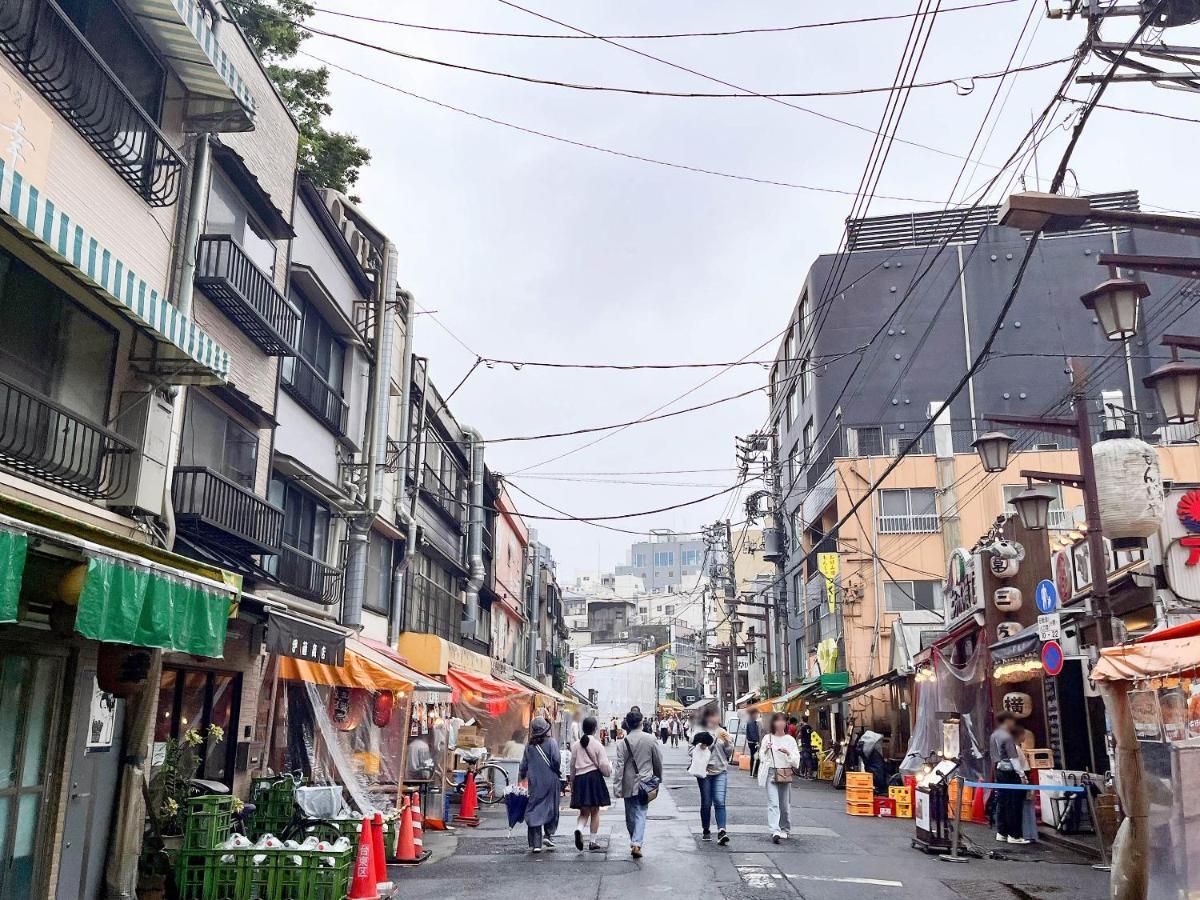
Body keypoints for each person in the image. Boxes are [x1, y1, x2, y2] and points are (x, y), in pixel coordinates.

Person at [612, 709, 662, 859]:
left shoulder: (623, 743)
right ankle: (637, 842)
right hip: (645, 781)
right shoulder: (650, 739)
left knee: (630, 815)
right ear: (641, 723)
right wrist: (658, 777)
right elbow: (657, 761)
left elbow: (619, 767)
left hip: (628, 782)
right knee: (641, 812)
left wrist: (617, 787)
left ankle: (635, 840)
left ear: (627, 724)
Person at [690, 707, 734, 845]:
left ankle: (722, 831)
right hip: (704, 772)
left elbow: (728, 754)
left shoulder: (723, 732)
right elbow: (691, 751)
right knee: (707, 802)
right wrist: (702, 746)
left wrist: (727, 742)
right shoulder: (698, 731)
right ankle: (706, 829)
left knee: (720, 801)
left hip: (720, 771)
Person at [519, 718, 562, 853]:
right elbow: (556, 760)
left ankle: (536, 843)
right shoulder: (552, 743)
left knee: (535, 808)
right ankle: (548, 834)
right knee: (551, 806)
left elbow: (523, 765)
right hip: (551, 780)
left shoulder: (529, 746)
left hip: (535, 782)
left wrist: (521, 778)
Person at [571, 716, 613, 851]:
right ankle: (593, 841)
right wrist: (610, 769)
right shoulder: (597, 745)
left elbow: (572, 765)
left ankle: (579, 829)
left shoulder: (576, 745)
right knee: (595, 811)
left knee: (584, 812)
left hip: (580, 779)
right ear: (595, 729)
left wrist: (572, 781)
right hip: (594, 779)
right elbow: (604, 765)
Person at [759, 713, 801, 843]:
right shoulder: (767, 738)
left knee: (784, 804)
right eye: (777, 721)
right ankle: (775, 830)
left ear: (786, 723)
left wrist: (787, 752)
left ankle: (784, 828)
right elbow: (761, 757)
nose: (780, 723)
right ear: (773, 723)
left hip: (784, 772)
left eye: (783, 721)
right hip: (771, 772)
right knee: (773, 803)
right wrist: (765, 749)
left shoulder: (790, 740)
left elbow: (796, 761)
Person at [989, 711, 1030, 845]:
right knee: (1013, 803)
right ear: (1007, 721)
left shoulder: (994, 735)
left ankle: (1001, 832)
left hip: (999, 770)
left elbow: (994, 755)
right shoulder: (1007, 737)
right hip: (1010, 773)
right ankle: (1014, 834)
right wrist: (1022, 775)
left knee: (1002, 801)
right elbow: (1013, 758)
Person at [1012, 726, 1038, 842]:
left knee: (1024, 805)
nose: (1025, 738)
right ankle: (1025, 834)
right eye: (1024, 736)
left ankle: (1027, 833)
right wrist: (1024, 778)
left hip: (1023, 776)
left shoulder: (1016, 748)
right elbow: (1017, 765)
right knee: (1024, 806)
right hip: (1023, 777)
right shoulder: (1016, 749)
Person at [744, 709, 763, 778]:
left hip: (752, 742)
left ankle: (754, 772)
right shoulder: (751, 722)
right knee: (755, 757)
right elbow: (752, 733)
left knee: (754, 757)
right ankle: (754, 772)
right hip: (753, 742)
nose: (757, 715)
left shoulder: (752, 722)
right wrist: (757, 741)